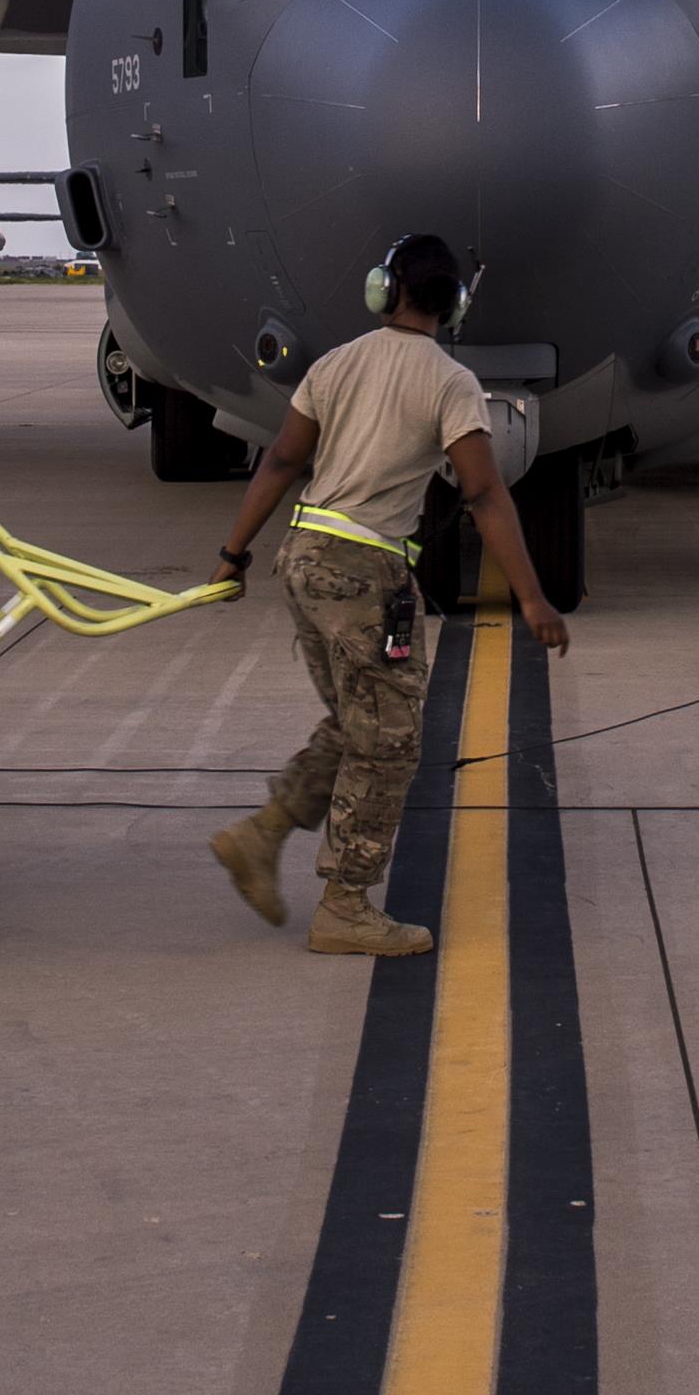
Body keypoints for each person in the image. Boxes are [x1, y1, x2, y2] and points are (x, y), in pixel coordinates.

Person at [198, 231, 570, 958]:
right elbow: (485, 493)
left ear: (384, 289)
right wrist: (531, 597)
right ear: (453, 305)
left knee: (359, 719)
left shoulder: (335, 363)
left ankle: (263, 833)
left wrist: (230, 555)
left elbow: (279, 459)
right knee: (391, 744)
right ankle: (345, 903)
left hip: (302, 562)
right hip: (364, 574)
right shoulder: (448, 382)